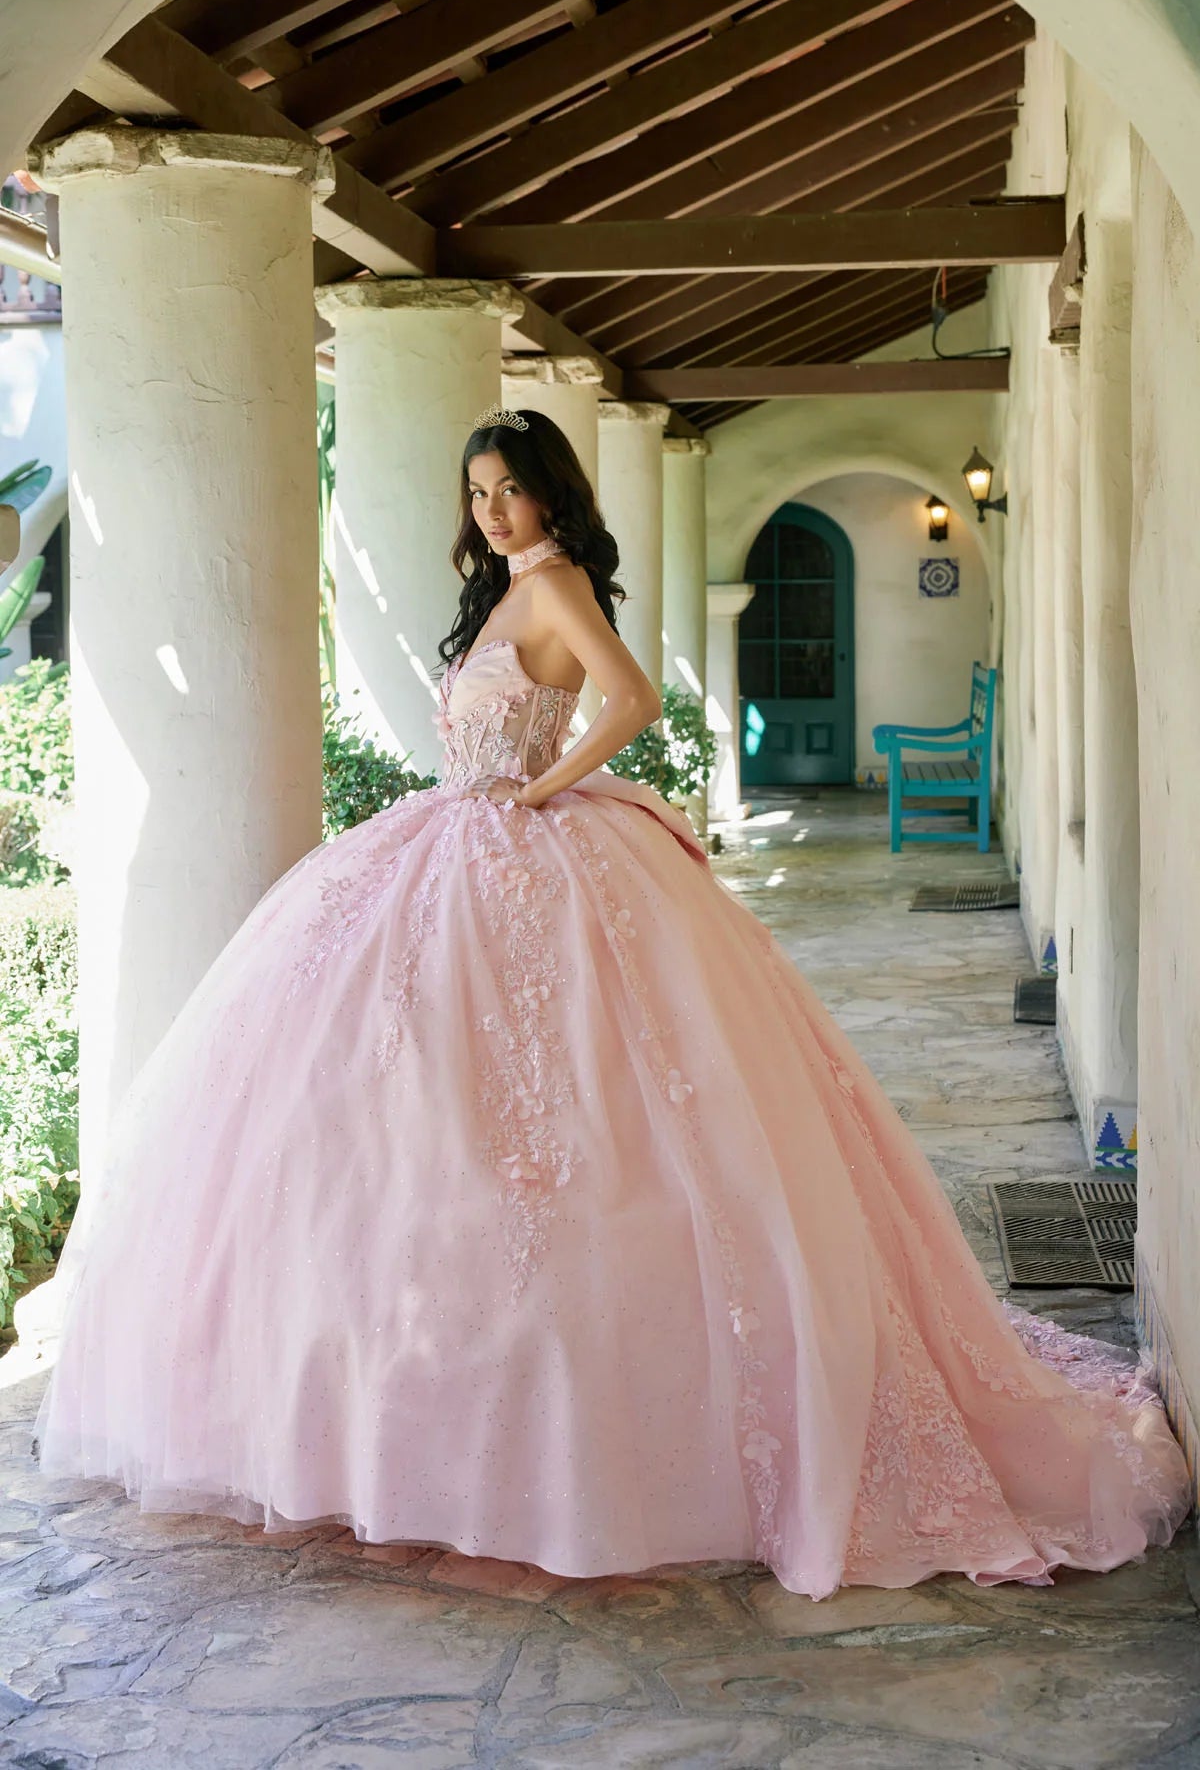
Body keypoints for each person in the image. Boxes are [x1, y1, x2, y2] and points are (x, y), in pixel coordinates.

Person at [31, 407, 1191, 1602]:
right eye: (475, 491)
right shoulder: (507, 590)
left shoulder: (555, 584)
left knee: (579, 1120)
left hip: (511, 841)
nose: (488, 510)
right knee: (412, 1117)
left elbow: (627, 698)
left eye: (506, 490)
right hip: (449, 844)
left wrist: (540, 787)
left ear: (548, 494)